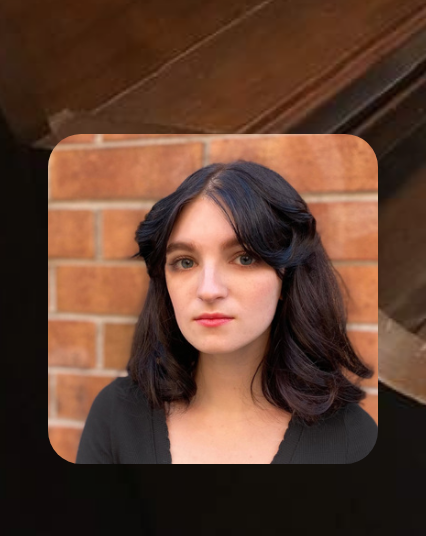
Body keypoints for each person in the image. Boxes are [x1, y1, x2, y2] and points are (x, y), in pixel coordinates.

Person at [76, 160, 375, 464]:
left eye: (244, 258)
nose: (209, 290)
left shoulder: (352, 439)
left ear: (287, 277)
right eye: (185, 262)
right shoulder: (116, 415)